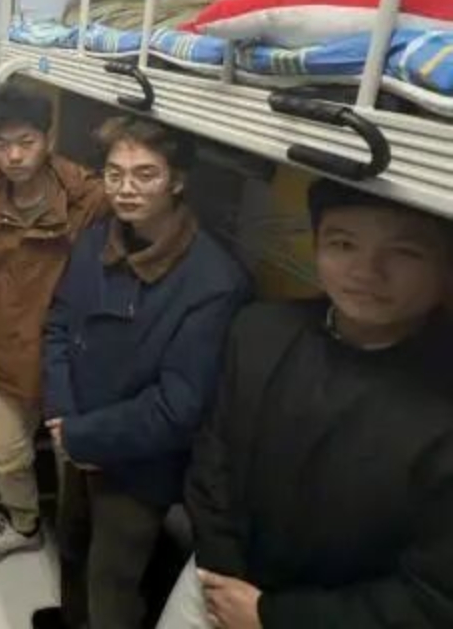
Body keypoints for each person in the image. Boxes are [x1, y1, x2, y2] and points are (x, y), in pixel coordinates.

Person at [155, 180, 453, 629]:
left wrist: (269, 616)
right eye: (343, 244)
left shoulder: (439, 399)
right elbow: (213, 461)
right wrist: (223, 577)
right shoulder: (260, 331)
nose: (366, 271)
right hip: (216, 584)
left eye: (405, 252)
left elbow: (434, 594)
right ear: (316, 245)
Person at [34, 118, 250, 629]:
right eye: (114, 174)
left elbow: (178, 406)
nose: (125, 188)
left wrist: (82, 435)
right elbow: (59, 324)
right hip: (75, 433)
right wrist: (63, 416)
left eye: (145, 174)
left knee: (112, 582)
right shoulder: (96, 239)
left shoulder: (214, 280)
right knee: (71, 545)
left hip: (137, 465)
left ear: (177, 181)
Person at [0, 82, 107, 563]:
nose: (14, 156)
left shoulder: (88, 200)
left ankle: (78, 548)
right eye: (3, 144)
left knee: (75, 463)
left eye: (27, 142)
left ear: (48, 139)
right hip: (13, 352)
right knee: (6, 457)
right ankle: (24, 522)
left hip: (75, 362)